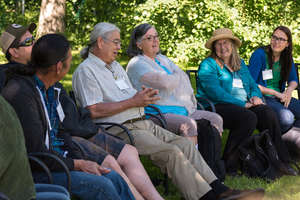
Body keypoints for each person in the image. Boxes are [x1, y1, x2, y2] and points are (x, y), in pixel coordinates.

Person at [72, 22, 264, 200]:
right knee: (171, 152)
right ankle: (206, 197)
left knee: (184, 144)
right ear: (99, 42)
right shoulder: (86, 71)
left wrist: (141, 98)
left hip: (141, 120)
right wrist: (133, 101)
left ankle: (221, 190)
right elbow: (93, 110)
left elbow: (134, 94)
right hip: (119, 128)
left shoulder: (114, 67)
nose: (120, 47)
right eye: (116, 42)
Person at [0, 23, 158, 200]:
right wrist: (77, 163)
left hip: (61, 154)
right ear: (59, 67)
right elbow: (38, 150)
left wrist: (78, 160)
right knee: (103, 184)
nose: (34, 44)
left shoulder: (47, 87)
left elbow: (59, 132)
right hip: (39, 169)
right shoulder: (21, 92)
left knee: (113, 176)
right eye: (28, 41)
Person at [196, 28, 297, 176]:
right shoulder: (208, 65)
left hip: (242, 105)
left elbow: (252, 84)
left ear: (233, 45)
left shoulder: (239, 63)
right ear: (213, 47)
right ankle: (229, 164)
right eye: (219, 44)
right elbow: (215, 93)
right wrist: (243, 104)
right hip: (214, 105)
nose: (223, 47)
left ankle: (281, 161)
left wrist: (256, 96)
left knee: (267, 112)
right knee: (247, 117)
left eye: (226, 43)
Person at [126, 23, 223, 146]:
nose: (155, 41)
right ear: (138, 44)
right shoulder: (137, 64)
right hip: (157, 113)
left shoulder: (162, 59)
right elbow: (165, 83)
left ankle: (212, 161)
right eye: (149, 38)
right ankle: (192, 164)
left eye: (156, 36)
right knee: (189, 125)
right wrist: (176, 77)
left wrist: (174, 78)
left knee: (216, 119)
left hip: (182, 108)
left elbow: (180, 77)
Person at [0, 94, 71, 200]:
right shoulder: (20, 96)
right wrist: (75, 163)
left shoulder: (5, 105)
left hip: (20, 184)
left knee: (61, 193)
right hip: (12, 189)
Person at [248, 26, 300, 138]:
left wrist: (289, 90)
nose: (277, 42)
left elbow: (293, 80)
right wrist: (276, 93)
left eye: (281, 39)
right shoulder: (259, 55)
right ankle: (272, 141)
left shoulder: (286, 57)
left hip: (280, 97)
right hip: (262, 97)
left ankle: (287, 139)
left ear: (287, 44)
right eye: (274, 37)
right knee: (287, 118)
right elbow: (251, 83)